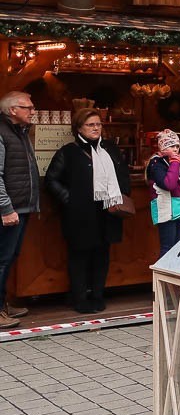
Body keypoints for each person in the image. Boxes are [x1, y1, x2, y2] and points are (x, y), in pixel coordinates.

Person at [46, 108, 131, 313]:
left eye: (98, 124)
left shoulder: (110, 148)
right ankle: (80, 299)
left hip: (107, 210)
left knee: (102, 255)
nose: (95, 128)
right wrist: (70, 199)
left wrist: (120, 196)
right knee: (79, 255)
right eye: (90, 125)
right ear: (78, 128)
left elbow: (123, 175)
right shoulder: (68, 152)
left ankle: (98, 296)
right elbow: (51, 180)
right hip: (80, 214)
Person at [0, 91, 40, 328]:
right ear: (12, 110)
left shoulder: (20, 132)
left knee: (9, 258)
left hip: (22, 207)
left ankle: (3, 304)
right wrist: (5, 208)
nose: (33, 111)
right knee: (2, 260)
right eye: (28, 107)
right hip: (9, 209)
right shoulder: (2, 132)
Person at [146, 129, 180, 258]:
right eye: (171, 146)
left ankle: (174, 269)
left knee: (177, 246)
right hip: (166, 210)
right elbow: (168, 185)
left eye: (177, 146)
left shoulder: (174, 162)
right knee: (168, 248)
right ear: (163, 147)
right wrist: (175, 163)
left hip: (177, 209)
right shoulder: (157, 163)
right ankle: (164, 270)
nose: (176, 149)